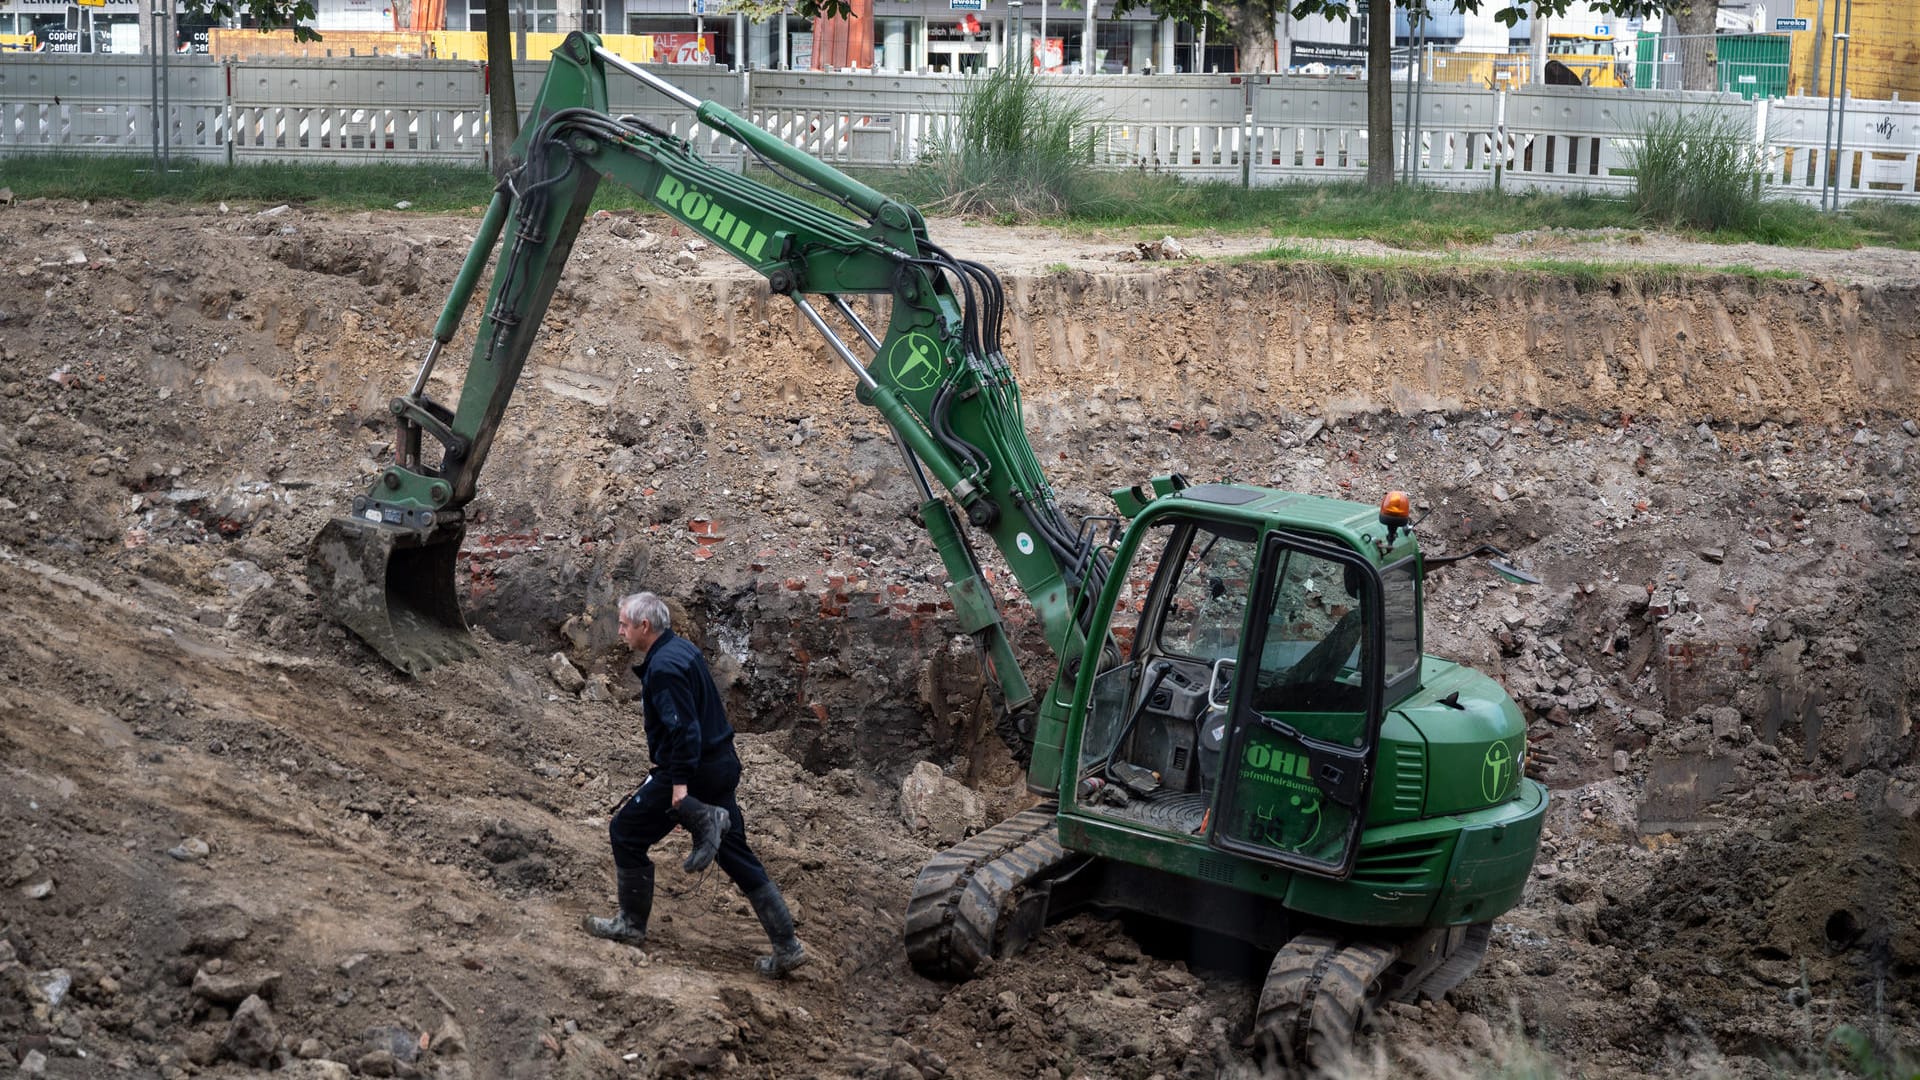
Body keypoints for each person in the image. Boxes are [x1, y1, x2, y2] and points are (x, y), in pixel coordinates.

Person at [581, 591, 809, 977]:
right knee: (735, 854)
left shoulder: (665, 668)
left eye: (623, 624)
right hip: (721, 763)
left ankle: (631, 924)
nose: (619, 631)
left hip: (691, 769)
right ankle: (787, 946)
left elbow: (683, 730)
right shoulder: (681, 650)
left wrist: (680, 787)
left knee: (626, 832)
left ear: (644, 626)